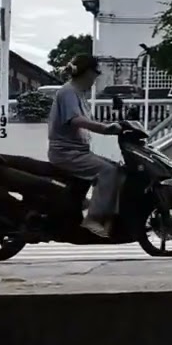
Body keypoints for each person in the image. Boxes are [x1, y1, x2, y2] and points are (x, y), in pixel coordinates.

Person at [47, 54, 124, 238]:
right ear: (87, 72)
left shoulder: (78, 94)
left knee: (117, 169)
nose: (95, 78)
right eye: (95, 73)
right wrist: (104, 128)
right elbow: (76, 120)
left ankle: (108, 216)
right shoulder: (68, 92)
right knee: (108, 172)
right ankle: (93, 218)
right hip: (66, 153)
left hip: (78, 152)